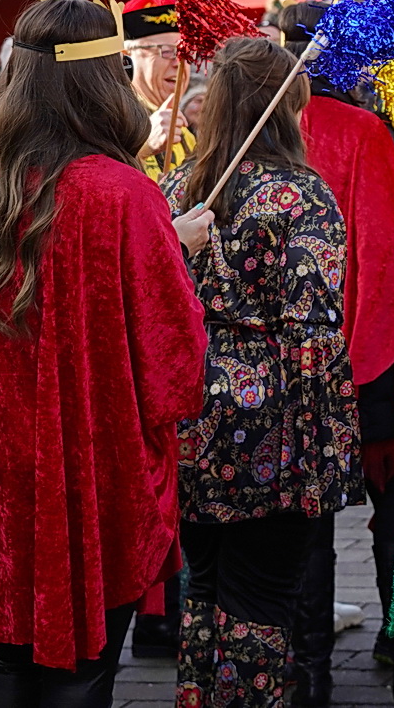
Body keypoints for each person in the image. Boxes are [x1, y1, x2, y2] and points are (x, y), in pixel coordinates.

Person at [0, 0, 213, 706]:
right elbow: (176, 371)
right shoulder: (121, 196)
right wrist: (169, 258)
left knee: (6, 661)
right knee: (81, 667)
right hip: (89, 473)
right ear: (102, 82)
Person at [162, 37, 363, 708]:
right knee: (261, 599)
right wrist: (326, 450)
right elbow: (315, 326)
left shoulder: (175, 188)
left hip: (191, 411)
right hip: (272, 424)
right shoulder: (301, 198)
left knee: (205, 586)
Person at [281, 0, 394, 708]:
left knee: (306, 522)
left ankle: (308, 672)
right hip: (364, 359)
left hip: (283, 368)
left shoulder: (251, 135)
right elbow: (384, 252)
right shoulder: (365, 130)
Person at [122, 0, 193, 181]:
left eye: (184, 52)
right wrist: (143, 149)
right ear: (127, 57)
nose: (179, 62)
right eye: (166, 51)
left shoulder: (186, 130)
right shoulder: (114, 120)